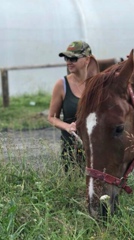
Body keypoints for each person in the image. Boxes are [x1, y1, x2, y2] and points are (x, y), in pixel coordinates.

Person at [48, 40, 98, 172]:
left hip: (97, 148)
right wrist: (68, 127)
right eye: (66, 58)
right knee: (73, 185)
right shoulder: (62, 85)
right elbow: (52, 117)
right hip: (71, 149)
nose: (68, 62)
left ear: (87, 60)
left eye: (73, 58)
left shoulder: (98, 84)